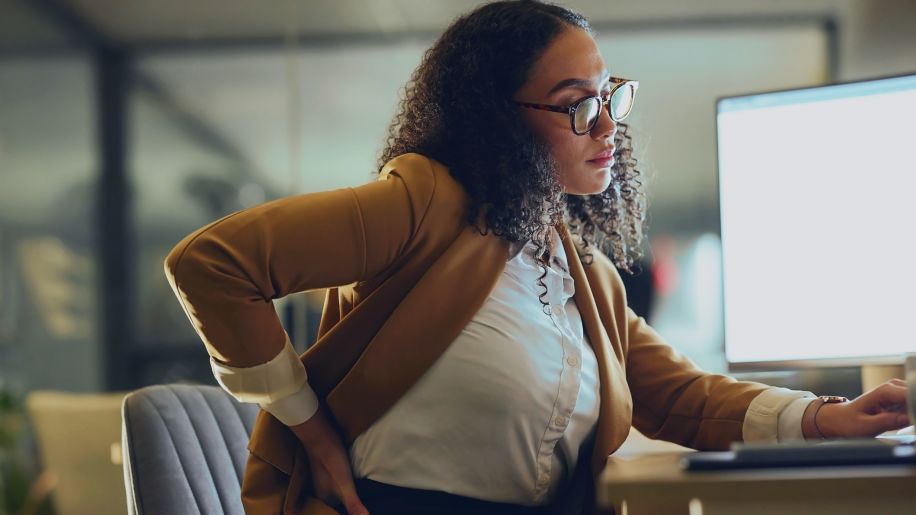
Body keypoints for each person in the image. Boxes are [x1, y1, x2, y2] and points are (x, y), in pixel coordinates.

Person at [163, 2, 912, 514]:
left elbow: (679, 395)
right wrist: (309, 427)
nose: (607, 126)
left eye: (610, 97)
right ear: (499, 120)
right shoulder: (422, 200)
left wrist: (826, 417)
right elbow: (213, 264)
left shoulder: (578, 270)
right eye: (577, 103)